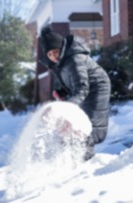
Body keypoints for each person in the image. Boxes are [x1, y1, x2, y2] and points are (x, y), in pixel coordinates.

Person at [40, 26, 111, 161]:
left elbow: (82, 87)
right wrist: (63, 91)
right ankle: (70, 159)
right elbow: (74, 82)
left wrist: (67, 108)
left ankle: (86, 163)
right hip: (84, 88)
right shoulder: (61, 62)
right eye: (49, 54)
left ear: (62, 47)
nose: (53, 56)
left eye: (55, 51)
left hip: (97, 87)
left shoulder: (75, 59)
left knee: (89, 128)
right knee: (72, 126)